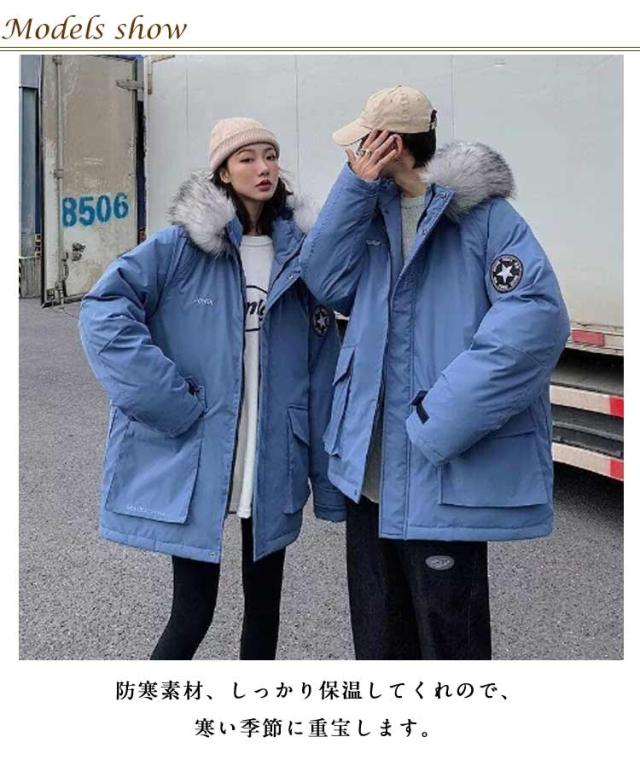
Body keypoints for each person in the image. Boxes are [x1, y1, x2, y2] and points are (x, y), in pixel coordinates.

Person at [299, 86, 570, 660]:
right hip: (369, 475)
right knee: (379, 645)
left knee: (451, 647)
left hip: (438, 472)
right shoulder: (369, 214)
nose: (352, 154)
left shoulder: (485, 219)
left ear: (389, 144)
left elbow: (536, 322)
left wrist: (439, 419)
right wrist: (353, 188)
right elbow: (323, 279)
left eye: (361, 143)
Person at [79, 117, 345, 660]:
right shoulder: (182, 247)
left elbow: (323, 367)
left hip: (273, 450)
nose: (264, 168)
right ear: (223, 172)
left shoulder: (302, 256)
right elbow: (104, 311)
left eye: (270, 155)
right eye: (247, 158)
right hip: (201, 445)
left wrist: (327, 475)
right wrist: (168, 399)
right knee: (192, 612)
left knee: (264, 612)